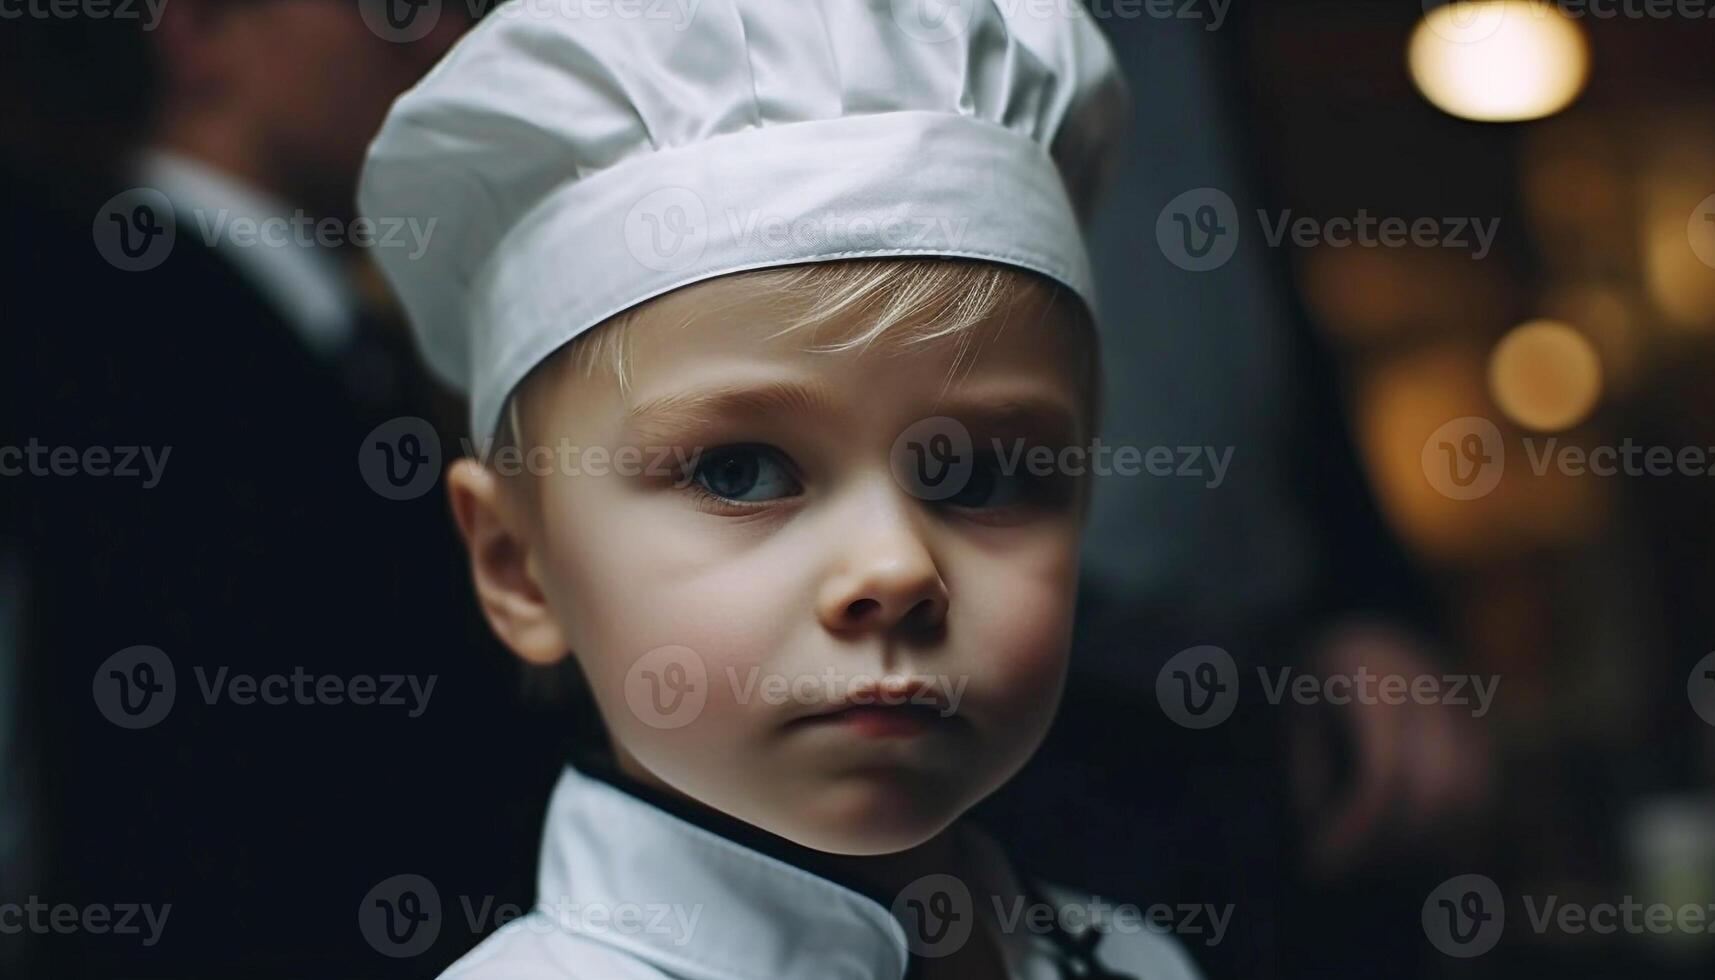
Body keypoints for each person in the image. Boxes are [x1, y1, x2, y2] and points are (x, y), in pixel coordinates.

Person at [357, 2, 1197, 977]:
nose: (894, 568)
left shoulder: (1139, 960)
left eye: (979, 473)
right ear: (519, 566)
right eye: (738, 470)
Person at [1, 2, 533, 975]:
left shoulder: (339, 342)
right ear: (201, 29)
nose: (445, 45)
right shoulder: (81, 332)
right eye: (393, 12)